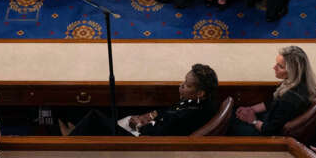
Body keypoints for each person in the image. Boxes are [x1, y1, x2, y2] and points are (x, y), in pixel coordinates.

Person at [64, 63, 219, 136]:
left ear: (200, 93)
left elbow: (161, 132)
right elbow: (170, 111)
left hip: (143, 143)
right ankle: (78, 129)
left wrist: (138, 124)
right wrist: (151, 115)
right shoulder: (198, 102)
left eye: (187, 85)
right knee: (113, 106)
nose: (181, 86)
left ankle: (69, 143)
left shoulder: (188, 114)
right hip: (154, 125)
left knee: (95, 117)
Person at [232, 46, 316, 135]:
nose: (274, 67)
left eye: (280, 66)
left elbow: (269, 130)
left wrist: (252, 120)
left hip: (268, 135)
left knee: (233, 126)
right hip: (268, 120)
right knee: (235, 113)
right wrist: (251, 109)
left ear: (293, 71)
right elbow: (272, 103)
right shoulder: (296, 82)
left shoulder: (290, 99)